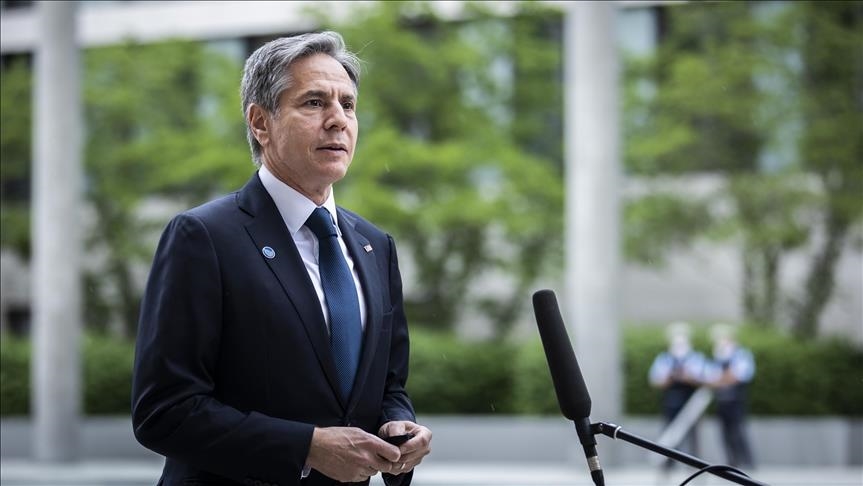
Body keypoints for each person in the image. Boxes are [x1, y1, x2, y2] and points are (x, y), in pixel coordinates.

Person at [131, 31, 432, 486]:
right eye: (314, 102)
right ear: (260, 122)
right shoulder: (203, 237)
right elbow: (164, 410)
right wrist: (306, 447)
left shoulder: (376, 245)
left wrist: (397, 425)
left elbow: (388, 385)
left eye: (348, 105)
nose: (338, 120)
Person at [648, 321, 708, 464]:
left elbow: (704, 378)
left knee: (693, 434)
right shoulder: (664, 359)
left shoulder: (696, 358)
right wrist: (670, 377)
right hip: (671, 401)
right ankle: (669, 463)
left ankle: (695, 463)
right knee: (670, 432)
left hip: (690, 402)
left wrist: (688, 377)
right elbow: (655, 380)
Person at [705, 323, 756, 469]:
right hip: (722, 401)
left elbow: (739, 376)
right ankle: (731, 462)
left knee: (738, 431)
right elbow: (710, 378)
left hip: (736, 400)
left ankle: (747, 462)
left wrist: (721, 379)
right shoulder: (718, 357)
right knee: (724, 433)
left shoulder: (741, 354)